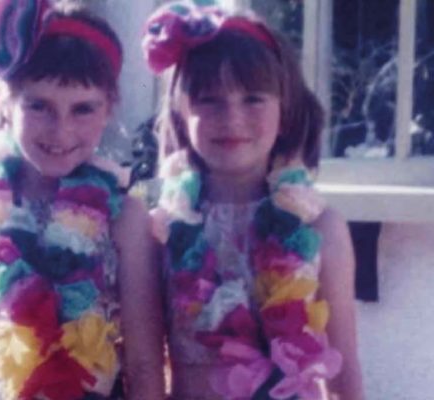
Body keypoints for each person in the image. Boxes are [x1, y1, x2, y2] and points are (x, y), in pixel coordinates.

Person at [0, 1, 164, 399]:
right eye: (39, 105)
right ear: (3, 100)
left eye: (83, 108)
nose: (61, 130)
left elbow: (144, 364)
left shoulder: (125, 220)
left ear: (108, 109)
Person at [142, 2, 364, 399]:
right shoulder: (159, 228)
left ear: (286, 109)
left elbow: (344, 373)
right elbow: (146, 368)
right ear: (180, 110)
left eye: (253, 99)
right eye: (209, 99)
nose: (232, 117)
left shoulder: (321, 228)